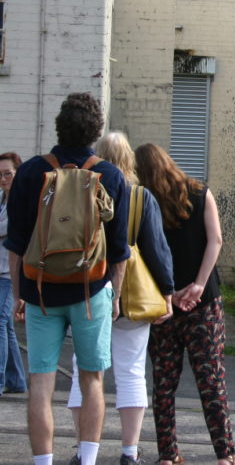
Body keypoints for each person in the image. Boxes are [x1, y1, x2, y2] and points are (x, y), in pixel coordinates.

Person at [4, 92, 130, 465]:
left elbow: (15, 243)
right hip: (92, 292)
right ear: (97, 130)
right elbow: (119, 250)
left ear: (59, 125)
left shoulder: (30, 172)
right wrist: (116, 297)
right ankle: (87, 459)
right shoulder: (109, 175)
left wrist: (17, 293)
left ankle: (43, 461)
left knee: (41, 382)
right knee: (91, 380)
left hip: (41, 292)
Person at [134, 143, 235, 465]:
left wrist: (168, 293)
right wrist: (198, 285)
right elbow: (216, 240)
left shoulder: (143, 202)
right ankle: (226, 456)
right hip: (203, 303)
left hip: (163, 306)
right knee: (211, 380)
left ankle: (168, 456)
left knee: (164, 382)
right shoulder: (200, 193)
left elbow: (141, 255)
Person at [67, 133, 175, 465]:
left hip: (87, 294)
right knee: (131, 371)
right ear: (129, 159)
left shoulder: (80, 193)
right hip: (130, 299)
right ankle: (129, 451)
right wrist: (167, 294)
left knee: (82, 371)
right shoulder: (141, 197)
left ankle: (84, 451)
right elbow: (157, 251)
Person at [0, 151, 27, 397]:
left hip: (11, 275)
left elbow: (10, 228)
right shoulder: (1, 200)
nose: (3, 179)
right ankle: (17, 380)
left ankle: (0, 381)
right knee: (6, 327)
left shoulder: (22, 202)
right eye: (0, 175)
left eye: (7, 173)